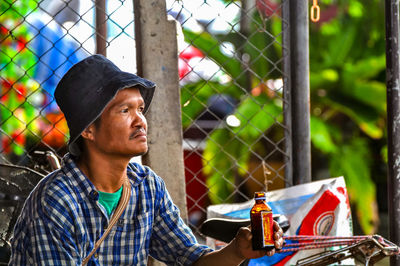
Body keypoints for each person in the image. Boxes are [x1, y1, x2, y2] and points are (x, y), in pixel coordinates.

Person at [9, 54, 283, 265]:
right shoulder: (56, 201)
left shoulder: (147, 186)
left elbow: (192, 259)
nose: (140, 120)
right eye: (125, 110)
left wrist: (237, 251)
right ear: (88, 130)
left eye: (140, 108)